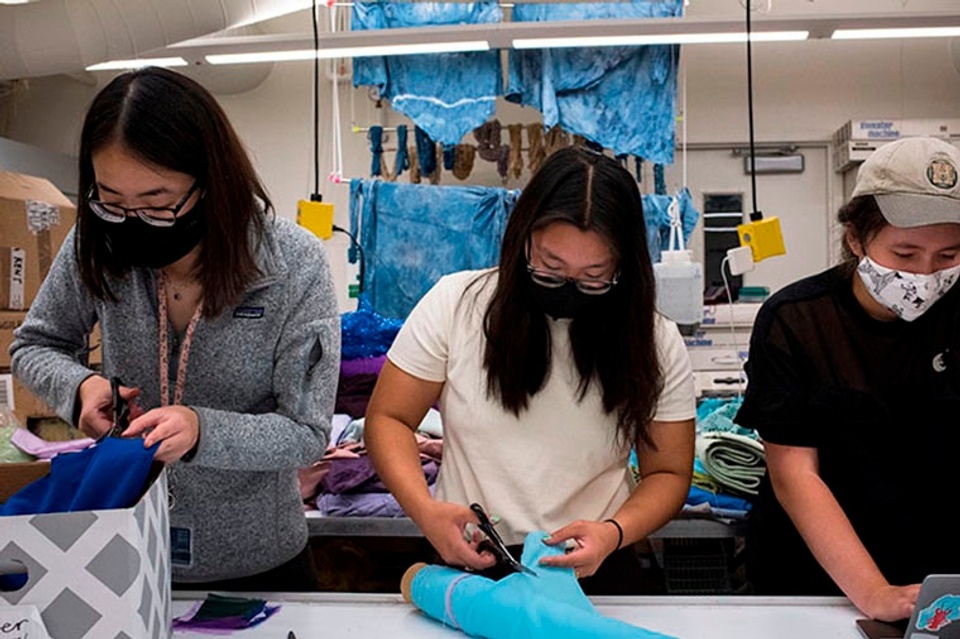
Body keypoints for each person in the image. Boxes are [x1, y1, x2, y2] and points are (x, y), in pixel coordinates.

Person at [10, 67, 340, 591]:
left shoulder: (293, 264)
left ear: (212, 183)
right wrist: (81, 389)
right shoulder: (96, 242)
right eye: (112, 200)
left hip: (259, 566)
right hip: (122, 551)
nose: (133, 220)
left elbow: (307, 433)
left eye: (160, 204)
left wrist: (202, 431)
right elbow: (34, 344)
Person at [364, 146, 696, 595]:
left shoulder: (654, 340)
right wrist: (425, 511)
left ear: (625, 265)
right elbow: (389, 418)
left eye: (595, 275)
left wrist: (615, 532)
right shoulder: (456, 303)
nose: (569, 287)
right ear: (523, 239)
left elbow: (668, 472)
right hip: (469, 561)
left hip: (595, 570)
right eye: (550, 267)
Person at [735, 136, 960, 621]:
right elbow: (795, 475)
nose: (926, 273)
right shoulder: (796, 321)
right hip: (813, 579)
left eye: (948, 256)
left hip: (937, 580)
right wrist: (874, 592)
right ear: (856, 238)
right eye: (905, 254)